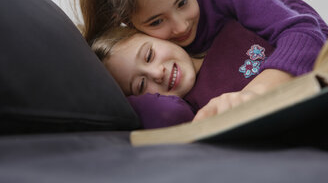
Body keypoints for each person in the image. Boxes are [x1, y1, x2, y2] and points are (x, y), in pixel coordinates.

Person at [71, 0, 328, 122]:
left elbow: (310, 33)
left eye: (183, 2)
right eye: (156, 22)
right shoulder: (168, 83)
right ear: (129, 23)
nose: (181, 25)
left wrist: (284, 0)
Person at [92, 19, 275, 129]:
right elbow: (164, 115)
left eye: (149, 55)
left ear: (157, 35)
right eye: (141, 85)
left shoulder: (227, 27)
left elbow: (297, 29)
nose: (157, 73)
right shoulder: (201, 111)